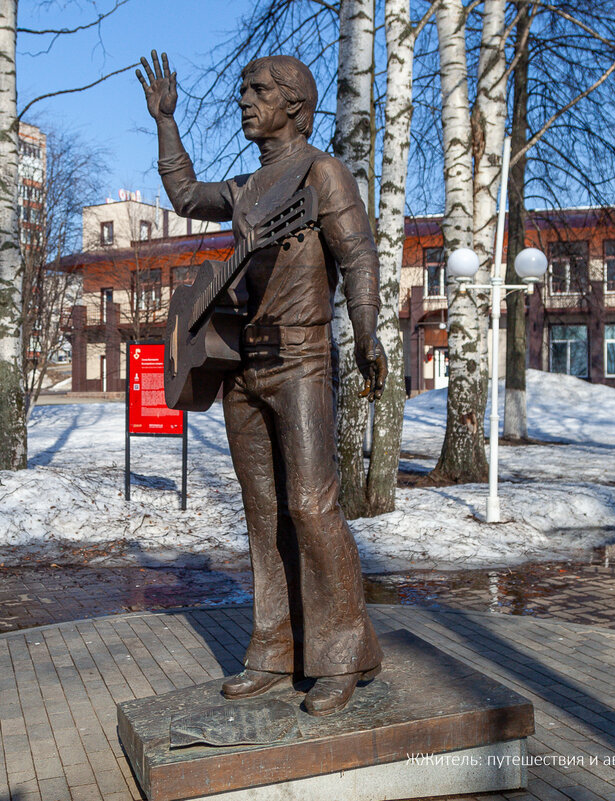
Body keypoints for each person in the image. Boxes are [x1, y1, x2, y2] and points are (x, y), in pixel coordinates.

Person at [137, 51, 388, 715]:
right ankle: (274, 648)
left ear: (295, 104)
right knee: (264, 512)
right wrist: (166, 122)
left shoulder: (321, 171)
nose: (245, 99)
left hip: (302, 361)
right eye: (244, 88)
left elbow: (359, 254)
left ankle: (344, 652)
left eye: (259, 90)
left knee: (310, 504)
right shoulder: (249, 186)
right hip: (242, 366)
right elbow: (188, 196)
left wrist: (365, 331)